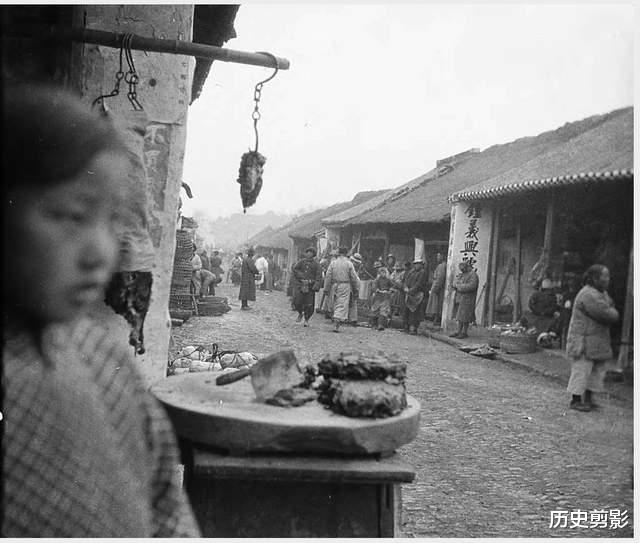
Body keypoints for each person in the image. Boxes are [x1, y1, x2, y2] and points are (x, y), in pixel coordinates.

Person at [2, 85, 199, 537]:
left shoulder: (102, 356)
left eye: (113, 221)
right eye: (72, 216)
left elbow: (167, 508)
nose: (100, 254)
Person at [565, 264, 619, 412]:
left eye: (608, 276)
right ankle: (576, 400)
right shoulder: (588, 294)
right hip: (583, 341)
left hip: (596, 341)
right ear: (595, 278)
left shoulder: (601, 293)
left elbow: (610, 308)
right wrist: (612, 312)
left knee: (596, 371)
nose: (607, 279)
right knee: (581, 370)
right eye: (604, 276)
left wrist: (611, 311)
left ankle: (588, 399)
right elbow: (606, 313)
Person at [324, 247, 360, 332]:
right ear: (346, 253)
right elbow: (353, 277)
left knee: (335, 302)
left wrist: (326, 288)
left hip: (334, 284)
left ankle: (335, 319)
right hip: (345, 285)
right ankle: (337, 322)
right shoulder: (349, 264)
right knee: (342, 304)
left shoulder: (333, 263)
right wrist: (356, 289)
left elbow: (328, 276)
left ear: (338, 253)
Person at [292, 247, 323, 326]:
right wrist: (301, 277)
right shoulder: (301, 262)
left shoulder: (317, 265)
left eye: (311, 253)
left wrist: (315, 285)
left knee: (309, 304)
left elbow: (319, 276)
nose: (309, 254)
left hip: (310, 287)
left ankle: (306, 319)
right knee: (297, 302)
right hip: (301, 285)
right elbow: (295, 269)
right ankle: (300, 313)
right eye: (308, 252)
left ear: (313, 255)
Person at [450, 261, 479, 339]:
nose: (462, 271)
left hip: (468, 298)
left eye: (463, 269)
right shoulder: (463, 274)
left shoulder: (473, 275)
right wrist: (455, 285)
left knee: (465, 317)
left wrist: (460, 286)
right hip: (460, 298)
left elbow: (472, 286)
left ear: (467, 267)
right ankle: (458, 331)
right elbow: (457, 282)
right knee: (459, 316)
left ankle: (464, 332)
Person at [403, 258, 428, 334]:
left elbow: (419, 284)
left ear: (421, 265)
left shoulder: (423, 272)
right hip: (409, 293)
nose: (416, 265)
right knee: (407, 310)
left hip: (418, 294)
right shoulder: (411, 272)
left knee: (415, 311)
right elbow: (406, 281)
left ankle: (413, 328)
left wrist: (411, 290)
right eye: (415, 264)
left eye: (418, 264)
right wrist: (405, 287)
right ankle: (406, 326)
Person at [369, 266, 395, 331]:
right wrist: (377, 290)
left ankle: (381, 325)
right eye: (381, 272)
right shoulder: (377, 279)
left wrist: (390, 289)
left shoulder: (388, 279)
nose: (382, 274)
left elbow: (393, 286)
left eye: (384, 272)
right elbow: (374, 286)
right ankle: (374, 325)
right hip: (378, 297)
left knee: (383, 311)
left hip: (385, 297)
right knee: (375, 310)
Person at [425, 252, 447, 325]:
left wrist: (436, 288)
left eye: (439, 256)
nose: (437, 258)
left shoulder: (442, 266)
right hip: (436, 285)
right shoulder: (441, 265)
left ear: (443, 257)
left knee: (436, 304)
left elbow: (440, 278)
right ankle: (435, 318)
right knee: (435, 304)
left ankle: (436, 319)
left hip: (438, 287)